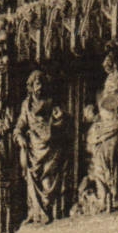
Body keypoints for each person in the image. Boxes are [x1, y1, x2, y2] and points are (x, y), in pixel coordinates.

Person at [79, 49, 118, 213]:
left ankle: (116, 197)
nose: (106, 64)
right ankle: (104, 197)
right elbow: (102, 105)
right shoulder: (104, 86)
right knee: (100, 161)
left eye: (109, 60)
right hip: (104, 127)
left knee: (113, 160)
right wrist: (93, 114)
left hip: (115, 126)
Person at [14, 70, 73, 222]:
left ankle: (48, 211)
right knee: (32, 178)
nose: (39, 87)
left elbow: (62, 121)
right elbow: (20, 125)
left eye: (41, 83)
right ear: (31, 86)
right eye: (36, 84)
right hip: (33, 148)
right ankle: (35, 212)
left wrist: (59, 119)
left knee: (48, 181)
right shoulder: (26, 105)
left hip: (50, 147)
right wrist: (19, 136)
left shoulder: (50, 102)